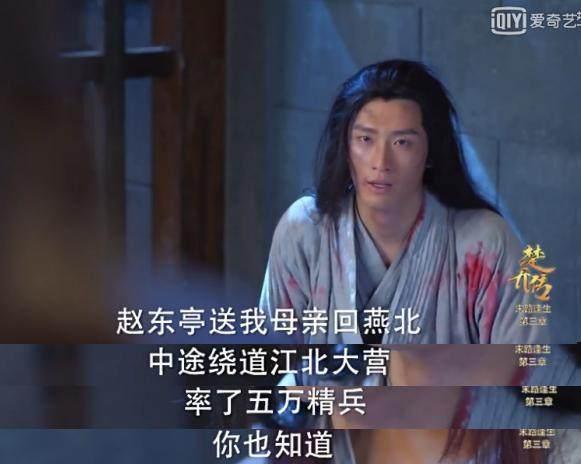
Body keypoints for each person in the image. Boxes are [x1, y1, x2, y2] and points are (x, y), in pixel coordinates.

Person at [259, 59, 549, 345]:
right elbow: (267, 359)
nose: (381, 162)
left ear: (431, 151)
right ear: (344, 147)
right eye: (365, 139)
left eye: (402, 143)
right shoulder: (305, 231)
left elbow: (526, 365)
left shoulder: (485, 243)